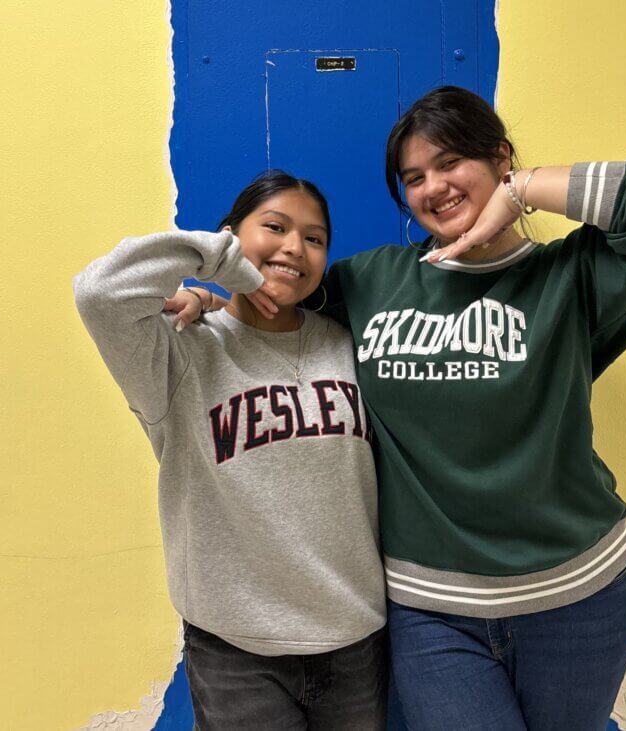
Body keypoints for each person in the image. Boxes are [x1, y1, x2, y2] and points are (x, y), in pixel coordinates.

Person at [179, 86, 626, 730]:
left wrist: (522, 191)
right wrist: (207, 301)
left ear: (499, 157)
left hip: (580, 600)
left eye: (452, 161)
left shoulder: (573, 277)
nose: (434, 187)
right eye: (413, 178)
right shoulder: (373, 281)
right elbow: (277, 296)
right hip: (433, 610)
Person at [73, 172, 388, 730]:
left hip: (354, 641)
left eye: (315, 238)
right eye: (275, 227)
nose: (295, 246)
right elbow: (100, 291)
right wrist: (212, 267)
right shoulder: (179, 352)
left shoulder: (348, 342)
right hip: (236, 653)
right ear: (231, 236)